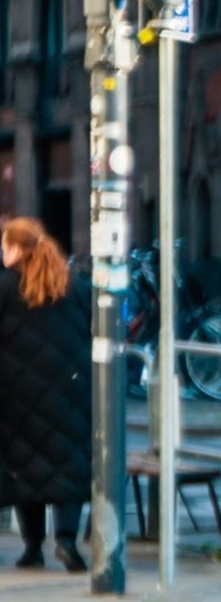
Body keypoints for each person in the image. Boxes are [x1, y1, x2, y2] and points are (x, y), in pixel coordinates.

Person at [0, 219, 93, 573]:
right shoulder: (75, 286)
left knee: (24, 467)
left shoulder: (6, 288)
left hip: (16, 396)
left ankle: (32, 547)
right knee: (68, 461)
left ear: (20, 249)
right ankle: (67, 540)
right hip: (71, 393)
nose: (3, 252)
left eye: (6, 245)